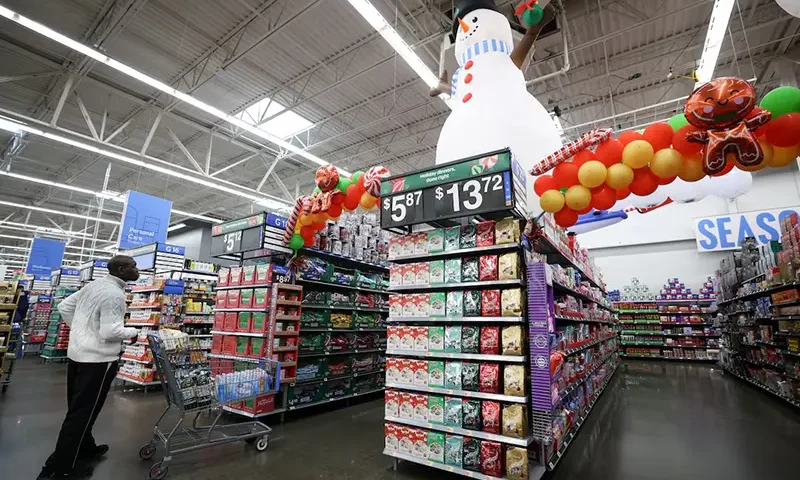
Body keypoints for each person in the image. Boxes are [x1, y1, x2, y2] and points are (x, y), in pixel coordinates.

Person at [38, 255, 140, 479]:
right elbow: (110, 332)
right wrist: (134, 332)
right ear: (121, 269)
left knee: (79, 408)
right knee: (82, 412)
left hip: (77, 355)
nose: (137, 269)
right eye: (133, 266)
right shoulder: (115, 294)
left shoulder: (93, 285)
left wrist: (80, 331)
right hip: (98, 361)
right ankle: (60, 467)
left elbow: (64, 306)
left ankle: (85, 447)